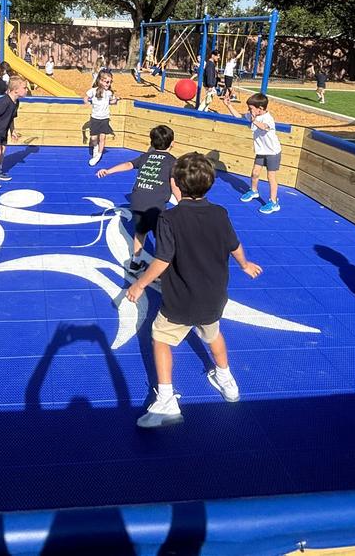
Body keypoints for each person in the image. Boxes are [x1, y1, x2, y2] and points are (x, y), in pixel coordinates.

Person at [125, 153, 262, 428]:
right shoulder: (220, 213)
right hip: (213, 296)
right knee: (213, 334)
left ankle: (166, 398)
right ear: (209, 184)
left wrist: (139, 284)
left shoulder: (169, 218)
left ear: (174, 184)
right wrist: (245, 265)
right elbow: (235, 246)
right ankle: (226, 379)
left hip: (181, 298)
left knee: (160, 338)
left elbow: (163, 260)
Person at [96, 125, 176, 275]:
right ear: (172, 143)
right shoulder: (172, 161)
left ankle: (135, 261)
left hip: (138, 201)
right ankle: (159, 271)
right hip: (156, 205)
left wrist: (109, 171)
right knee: (161, 237)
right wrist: (183, 203)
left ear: (151, 142)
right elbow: (174, 183)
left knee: (140, 231)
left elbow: (128, 165)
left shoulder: (146, 156)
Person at [239, 93, 282, 214]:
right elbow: (239, 116)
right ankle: (254, 191)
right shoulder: (254, 115)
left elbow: (264, 127)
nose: (249, 110)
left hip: (272, 152)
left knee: (271, 177)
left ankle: (274, 202)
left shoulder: (268, 118)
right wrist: (228, 105)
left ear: (260, 109)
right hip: (261, 151)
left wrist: (254, 120)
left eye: (251, 108)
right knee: (255, 173)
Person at [84, 69, 119, 166]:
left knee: (102, 138)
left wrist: (115, 100)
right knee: (94, 138)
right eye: (107, 81)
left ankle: (98, 155)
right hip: (95, 118)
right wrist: (86, 103)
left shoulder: (109, 93)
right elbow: (86, 97)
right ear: (100, 81)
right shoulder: (93, 91)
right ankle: (95, 147)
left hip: (104, 118)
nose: (108, 84)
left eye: (110, 82)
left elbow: (111, 102)